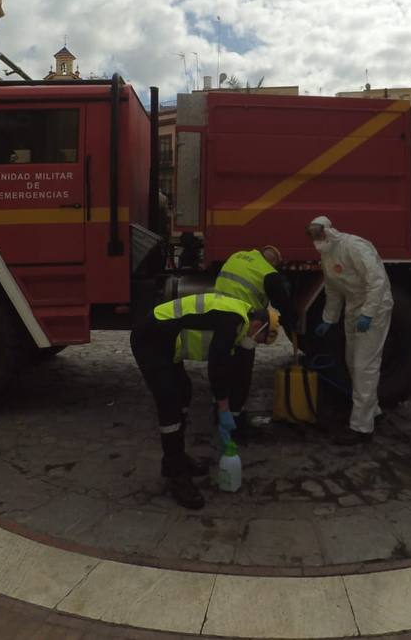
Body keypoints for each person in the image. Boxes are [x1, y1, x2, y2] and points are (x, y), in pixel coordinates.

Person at [131, 292, 271, 509]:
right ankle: (176, 476)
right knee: (170, 403)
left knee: (184, 391)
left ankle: (174, 459)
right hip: (150, 339)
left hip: (166, 341)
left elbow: (230, 366)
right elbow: (216, 366)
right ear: (258, 325)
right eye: (262, 338)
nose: (257, 343)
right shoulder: (234, 319)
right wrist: (223, 407)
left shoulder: (240, 315)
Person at [307, 216, 393, 446]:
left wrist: (369, 312)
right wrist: (328, 319)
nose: (317, 239)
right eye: (313, 235)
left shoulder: (353, 246)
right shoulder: (326, 257)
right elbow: (333, 292)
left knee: (364, 366)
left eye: (319, 233)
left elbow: (377, 281)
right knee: (352, 361)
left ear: (328, 230)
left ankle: (361, 428)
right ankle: (372, 411)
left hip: (375, 307)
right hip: (354, 308)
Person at [214, 246, 298, 431]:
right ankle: (236, 420)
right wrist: (291, 322)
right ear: (274, 263)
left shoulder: (238, 255)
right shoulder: (269, 273)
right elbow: (282, 303)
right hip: (241, 323)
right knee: (242, 370)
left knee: (220, 364)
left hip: (217, 315)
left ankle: (220, 410)